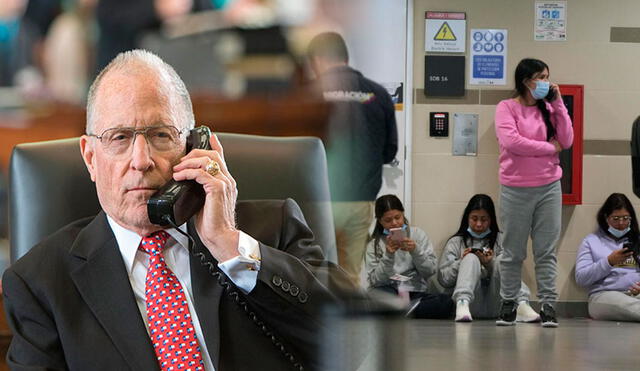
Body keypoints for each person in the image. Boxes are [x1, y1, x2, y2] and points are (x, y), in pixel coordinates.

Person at [2, 50, 354, 371]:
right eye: (120, 138)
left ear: (196, 146)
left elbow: (354, 339)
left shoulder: (271, 229)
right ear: (91, 158)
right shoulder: (41, 282)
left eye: (160, 135)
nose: (141, 161)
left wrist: (230, 247)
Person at [307, 32, 398, 285]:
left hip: (318, 199)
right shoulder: (378, 94)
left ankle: (317, 324)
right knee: (350, 274)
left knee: (314, 270)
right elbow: (390, 151)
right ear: (345, 57)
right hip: (360, 200)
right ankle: (347, 324)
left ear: (317, 59)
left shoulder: (309, 94)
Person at [494, 58, 573, 327]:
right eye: (540, 77)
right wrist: (550, 149)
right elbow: (512, 143)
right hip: (515, 188)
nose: (546, 82)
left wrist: (559, 102)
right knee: (512, 251)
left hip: (549, 186)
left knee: (545, 250)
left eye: (548, 76)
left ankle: (548, 304)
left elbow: (567, 139)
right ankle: (509, 304)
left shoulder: (549, 108)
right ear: (526, 80)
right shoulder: (506, 107)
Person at [438, 194, 539, 323]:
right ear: (467, 218)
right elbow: (443, 280)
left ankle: (523, 304)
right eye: (474, 219)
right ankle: (462, 303)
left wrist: (490, 264)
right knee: (470, 258)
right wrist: (461, 263)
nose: (479, 224)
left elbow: (512, 273)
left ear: (491, 220)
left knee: (502, 258)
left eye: (484, 219)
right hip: (471, 303)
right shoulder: (456, 242)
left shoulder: (501, 240)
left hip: (499, 302)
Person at [365, 194, 453, 319]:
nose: (394, 223)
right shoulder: (374, 245)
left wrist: (415, 250)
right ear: (380, 221)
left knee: (446, 302)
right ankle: (407, 310)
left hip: (414, 291)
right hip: (389, 290)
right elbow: (375, 281)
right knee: (375, 299)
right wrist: (388, 256)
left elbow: (430, 271)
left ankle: (399, 311)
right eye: (388, 220)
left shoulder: (418, 234)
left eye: (397, 217)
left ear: (403, 214)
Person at [575, 193, 640, 322]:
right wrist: (609, 262)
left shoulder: (637, 240)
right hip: (605, 296)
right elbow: (581, 278)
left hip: (636, 294)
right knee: (623, 304)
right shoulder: (591, 241)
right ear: (606, 218)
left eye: (626, 218)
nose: (621, 223)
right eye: (615, 218)